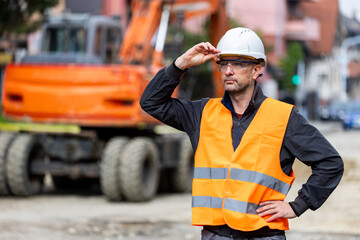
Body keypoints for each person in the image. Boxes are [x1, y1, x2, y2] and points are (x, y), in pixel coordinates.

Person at [140, 27, 344, 240]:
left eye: (238, 64)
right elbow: (151, 102)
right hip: (215, 234)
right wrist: (180, 64)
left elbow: (330, 163)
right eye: (224, 64)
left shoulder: (284, 117)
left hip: (264, 235)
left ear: (257, 70)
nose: (228, 71)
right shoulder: (201, 113)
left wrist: (297, 206)